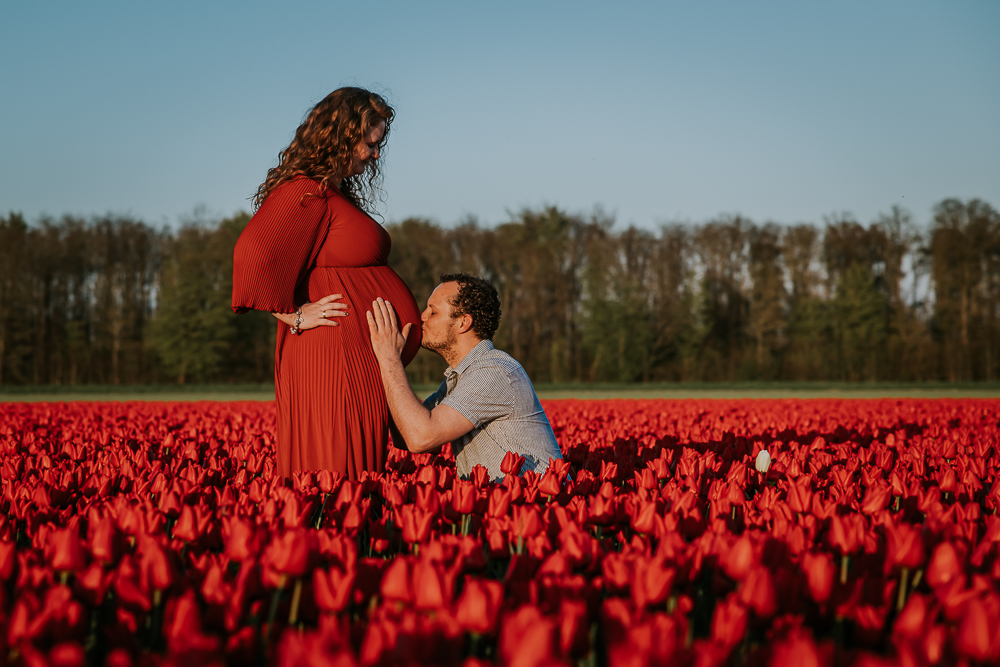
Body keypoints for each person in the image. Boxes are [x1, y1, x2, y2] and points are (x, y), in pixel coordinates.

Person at [231, 87, 421, 479]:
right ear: (342, 137)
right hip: (332, 357)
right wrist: (295, 316)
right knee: (337, 470)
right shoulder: (306, 190)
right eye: (371, 144)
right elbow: (253, 253)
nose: (376, 154)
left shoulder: (331, 194)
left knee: (353, 474)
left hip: (349, 359)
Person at [367, 273, 562, 480]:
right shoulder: (460, 377)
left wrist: (390, 359)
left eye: (433, 311)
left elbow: (420, 437)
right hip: (508, 498)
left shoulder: (493, 371)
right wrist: (386, 364)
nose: (422, 317)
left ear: (463, 323)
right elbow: (404, 436)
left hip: (537, 499)